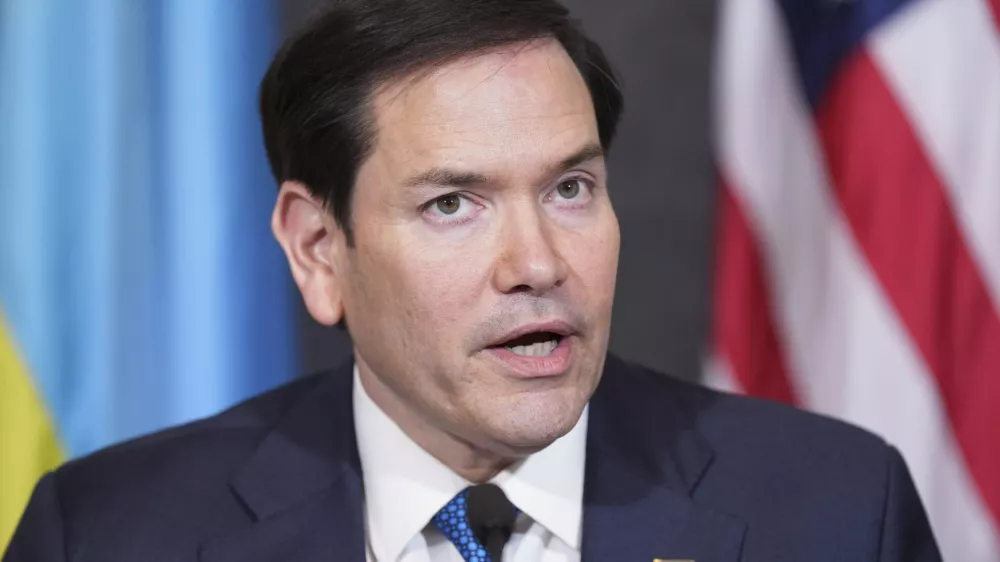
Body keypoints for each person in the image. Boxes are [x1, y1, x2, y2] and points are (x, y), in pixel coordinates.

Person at [4, 0, 941, 560]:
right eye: (454, 203)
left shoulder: (835, 514)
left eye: (571, 188)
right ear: (319, 248)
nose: (537, 264)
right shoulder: (110, 536)